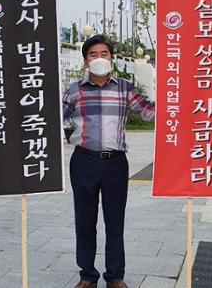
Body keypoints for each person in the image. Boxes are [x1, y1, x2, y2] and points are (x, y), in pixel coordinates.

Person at [62, 35, 155, 288]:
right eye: (93, 54)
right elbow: (55, 118)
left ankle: (115, 275)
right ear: (85, 61)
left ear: (111, 59)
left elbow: (148, 112)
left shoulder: (125, 88)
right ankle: (87, 275)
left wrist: (176, 100)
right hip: (83, 161)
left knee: (115, 219)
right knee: (85, 219)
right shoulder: (74, 90)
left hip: (115, 163)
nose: (99, 58)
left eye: (104, 53)